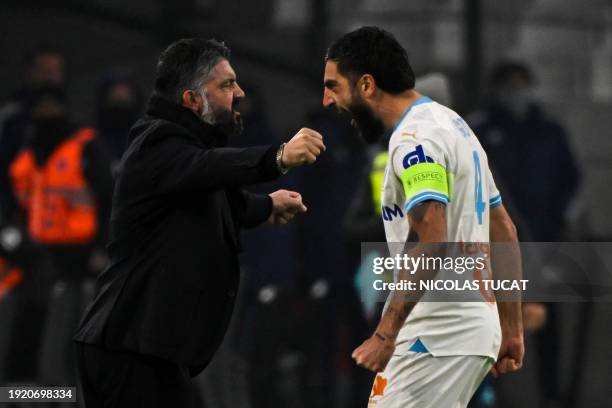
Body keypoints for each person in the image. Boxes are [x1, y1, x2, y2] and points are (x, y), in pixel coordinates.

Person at [73, 38, 325, 407]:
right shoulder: (157, 142)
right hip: (127, 347)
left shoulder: (186, 148)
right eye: (226, 85)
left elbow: (213, 196)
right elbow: (205, 170)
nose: (238, 92)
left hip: (153, 349)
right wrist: (279, 158)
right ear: (192, 100)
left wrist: (265, 206)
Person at [322, 27, 524, 407]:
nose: (327, 100)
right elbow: (504, 230)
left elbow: (432, 236)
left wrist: (384, 334)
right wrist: (510, 327)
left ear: (366, 85)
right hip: (459, 330)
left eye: (334, 86)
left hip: (438, 335)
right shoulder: (456, 127)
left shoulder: (416, 138)